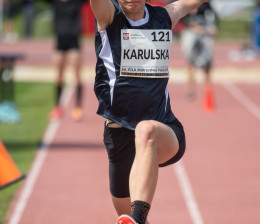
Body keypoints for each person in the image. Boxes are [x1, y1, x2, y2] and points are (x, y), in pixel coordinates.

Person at [89, 0, 206, 223]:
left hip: (163, 130)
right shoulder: (110, 17)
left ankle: (140, 216)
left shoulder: (164, 17)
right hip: (119, 137)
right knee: (127, 217)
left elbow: (188, 4)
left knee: (145, 130)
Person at [47, 0, 88, 121]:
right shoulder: (55, 3)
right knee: (58, 76)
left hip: (74, 42)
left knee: (77, 75)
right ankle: (58, 107)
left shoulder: (76, 2)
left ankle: (78, 108)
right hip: (60, 41)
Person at [181, 1, 218, 100]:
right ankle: (190, 89)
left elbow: (213, 17)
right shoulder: (186, 3)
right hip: (190, 33)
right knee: (190, 62)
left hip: (204, 33)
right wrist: (192, 26)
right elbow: (182, 17)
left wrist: (213, 27)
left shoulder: (206, 4)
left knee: (207, 63)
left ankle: (208, 90)